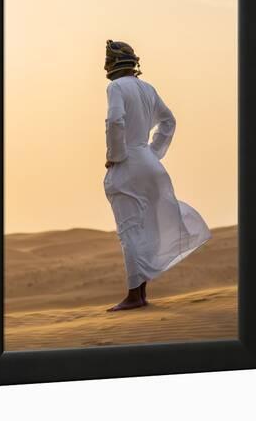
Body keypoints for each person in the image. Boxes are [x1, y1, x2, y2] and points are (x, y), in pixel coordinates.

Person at [103, 39, 212, 312]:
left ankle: (134, 295)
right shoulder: (147, 88)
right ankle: (139, 293)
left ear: (113, 62)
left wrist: (115, 155)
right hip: (150, 164)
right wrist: (153, 152)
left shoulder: (115, 87)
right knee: (146, 225)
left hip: (128, 164)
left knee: (129, 229)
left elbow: (115, 120)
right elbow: (169, 120)